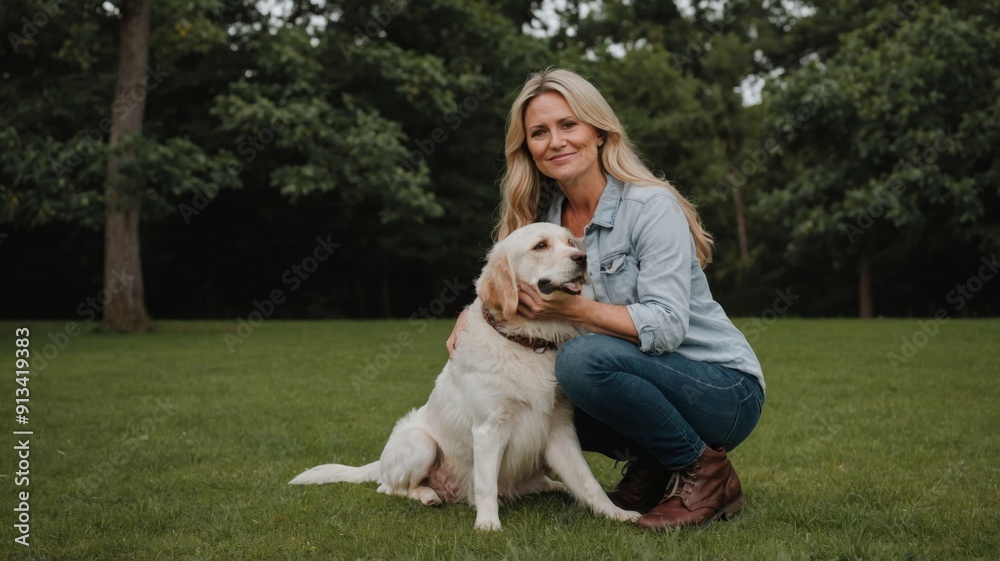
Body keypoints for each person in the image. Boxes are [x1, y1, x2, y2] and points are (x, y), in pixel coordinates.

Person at [447, 68, 765, 530]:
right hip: (643, 381)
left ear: (598, 132)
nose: (555, 141)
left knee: (578, 362)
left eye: (568, 125)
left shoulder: (650, 207)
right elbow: (504, 281)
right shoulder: (546, 220)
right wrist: (469, 314)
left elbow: (668, 326)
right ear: (528, 148)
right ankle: (653, 465)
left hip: (721, 390)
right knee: (538, 395)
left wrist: (575, 309)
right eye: (539, 132)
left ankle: (705, 472)